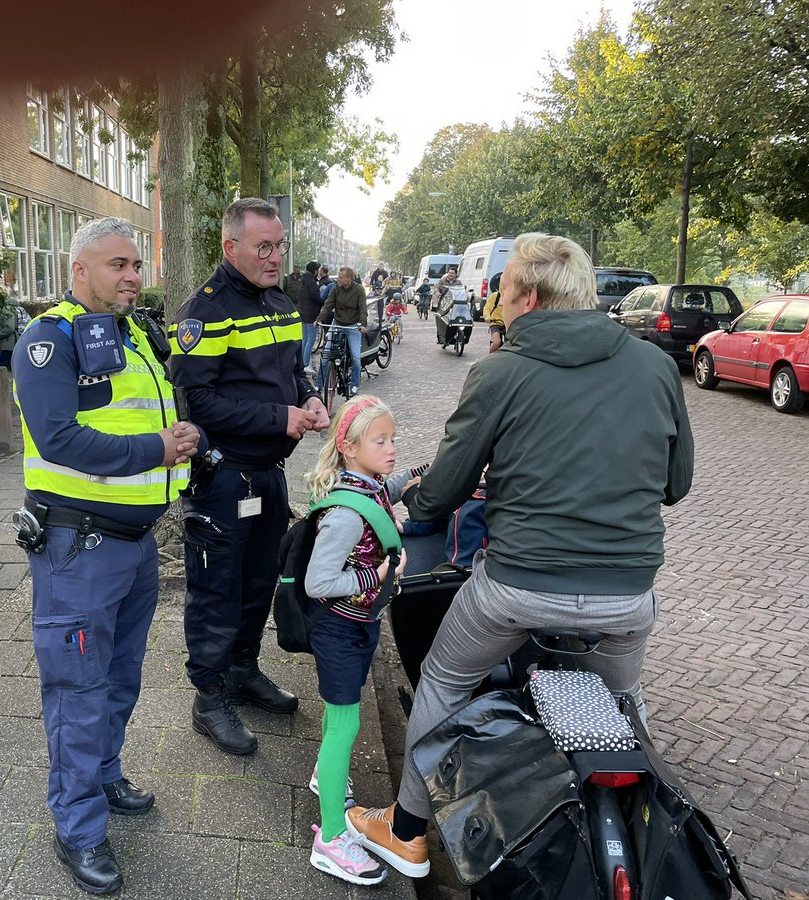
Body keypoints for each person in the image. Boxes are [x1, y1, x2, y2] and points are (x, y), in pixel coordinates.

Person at [345, 232, 694, 880]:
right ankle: (658, 839)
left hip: (518, 586)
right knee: (624, 706)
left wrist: (411, 512)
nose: (494, 305)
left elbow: (445, 489)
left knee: (446, 680)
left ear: (528, 299)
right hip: (626, 595)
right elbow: (677, 485)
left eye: (501, 294)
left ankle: (406, 834)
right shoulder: (653, 366)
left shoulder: (501, 371)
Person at [13, 217, 201, 894]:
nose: (131, 276)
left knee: (119, 680)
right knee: (78, 692)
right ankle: (79, 830)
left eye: (135, 265)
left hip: (132, 546)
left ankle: (103, 774)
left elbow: (140, 416)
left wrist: (182, 435)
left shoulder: (132, 333)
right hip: (79, 549)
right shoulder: (49, 339)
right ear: (79, 271)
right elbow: (58, 438)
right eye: (116, 265)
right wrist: (159, 449)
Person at [168, 197, 329, 757]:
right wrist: (279, 417)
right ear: (229, 247)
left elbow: (294, 370)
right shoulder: (203, 312)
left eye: (279, 246)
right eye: (264, 246)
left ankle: (242, 671)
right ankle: (209, 699)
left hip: (269, 472)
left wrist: (310, 399)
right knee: (217, 590)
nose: (275, 256)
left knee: (260, 580)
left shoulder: (281, 303)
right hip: (223, 477)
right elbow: (197, 402)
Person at [304, 395, 419, 886]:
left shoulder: (367, 484)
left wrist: (414, 474)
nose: (391, 448)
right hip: (342, 629)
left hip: (357, 626)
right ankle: (330, 839)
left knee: (339, 714)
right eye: (381, 441)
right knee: (345, 728)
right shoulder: (348, 514)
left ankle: (321, 777)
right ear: (350, 448)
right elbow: (318, 581)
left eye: (393, 439)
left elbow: (385, 487)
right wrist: (376, 575)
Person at [316, 266, 367, 397]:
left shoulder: (359, 289)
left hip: (353, 326)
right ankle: (318, 385)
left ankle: (355, 386)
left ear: (349, 279)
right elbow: (328, 305)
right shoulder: (335, 288)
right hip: (338, 324)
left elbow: (362, 309)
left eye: (341, 277)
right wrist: (319, 319)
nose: (338, 279)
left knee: (356, 358)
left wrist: (363, 324)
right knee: (326, 354)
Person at [298, 261, 323, 371]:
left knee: (304, 339)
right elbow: (316, 298)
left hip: (303, 313)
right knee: (311, 340)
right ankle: (306, 363)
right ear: (315, 271)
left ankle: (302, 363)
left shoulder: (303, 280)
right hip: (311, 314)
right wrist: (325, 302)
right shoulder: (312, 283)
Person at [483, 271, 506, 352]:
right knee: (496, 342)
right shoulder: (495, 296)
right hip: (496, 323)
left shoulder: (512, 297)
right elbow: (487, 308)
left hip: (508, 324)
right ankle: (490, 359)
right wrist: (487, 317)